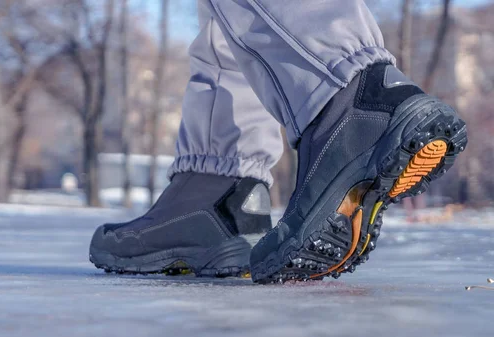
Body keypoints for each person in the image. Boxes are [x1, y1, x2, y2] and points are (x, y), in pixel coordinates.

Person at [89, 0, 467, 283]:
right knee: (225, 15)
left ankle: (347, 96)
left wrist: (338, 69)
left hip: (340, 81)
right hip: (219, 167)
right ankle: (216, 188)